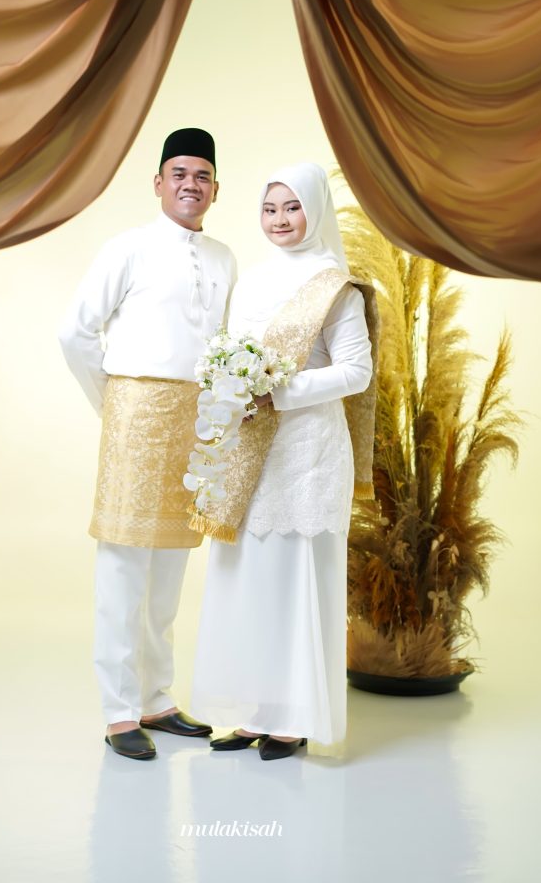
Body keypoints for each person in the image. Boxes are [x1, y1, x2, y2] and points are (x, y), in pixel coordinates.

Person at [59, 128, 237, 761]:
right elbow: (75, 333)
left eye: (202, 176)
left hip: (196, 420)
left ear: (216, 189)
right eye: (179, 173)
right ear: (159, 182)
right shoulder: (128, 248)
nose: (191, 185)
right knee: (123, 568)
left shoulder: (224, 258)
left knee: (170, 568)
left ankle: (156, 699)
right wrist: (114, 404)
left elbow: (223, 347)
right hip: (136, 416)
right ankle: (118, 712)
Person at [189, 162, 374, 761]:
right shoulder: (252, 280)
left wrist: (279, 390)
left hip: (307, 451)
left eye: (292, 207)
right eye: (270, 209)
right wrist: (231, 385)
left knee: (295, 579)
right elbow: (229, 353)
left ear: (314, 211)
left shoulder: (336, 287)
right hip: (249, 449)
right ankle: (255, 713)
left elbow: (356, 372)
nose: (279, 220)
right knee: (249, 578)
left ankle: (293, 720)